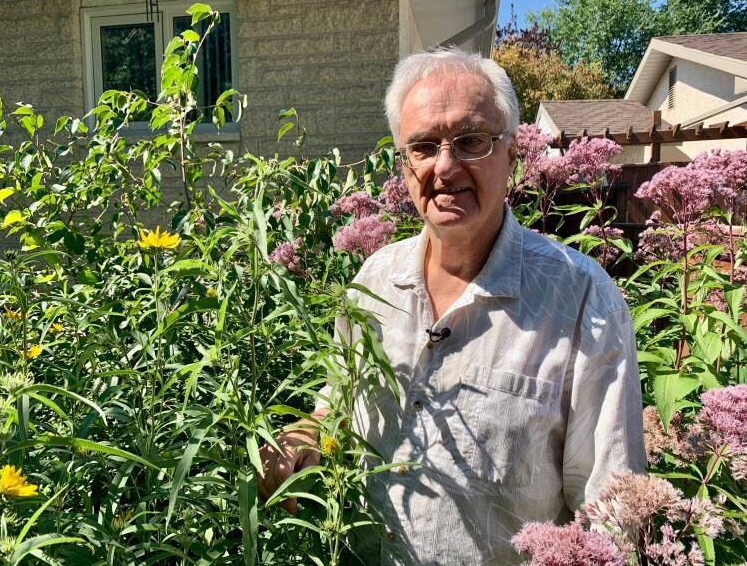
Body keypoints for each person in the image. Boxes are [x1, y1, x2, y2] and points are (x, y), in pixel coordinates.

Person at [259, 47, 646, 565]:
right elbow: (340, 407)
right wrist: (303, 437)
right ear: (403, 162)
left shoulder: (581, 299)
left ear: (511, 152)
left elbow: (611, 510)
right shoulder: (374, 280)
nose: (444, 166)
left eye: (471, 141)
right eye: (422, 146)